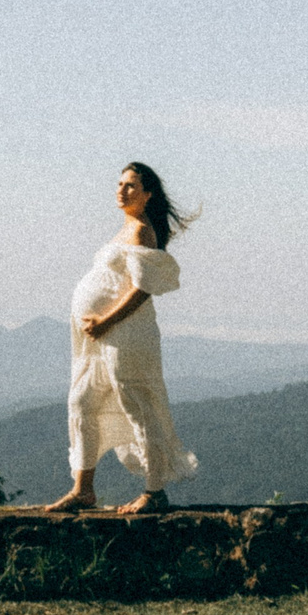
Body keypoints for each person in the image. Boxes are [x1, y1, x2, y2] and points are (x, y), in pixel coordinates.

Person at [44, 161, 198, 514]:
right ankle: (83, 489)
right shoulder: (124, 229)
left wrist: (104, 320)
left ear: (147, 195)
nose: (122, 190)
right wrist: (96, 325)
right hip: (100, 339)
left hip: (126, 335)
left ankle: (154, 492)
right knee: (82, 403)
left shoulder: (142, 231)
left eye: (131, 185)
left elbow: (143, 289)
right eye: (120, 183)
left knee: (138, 407)